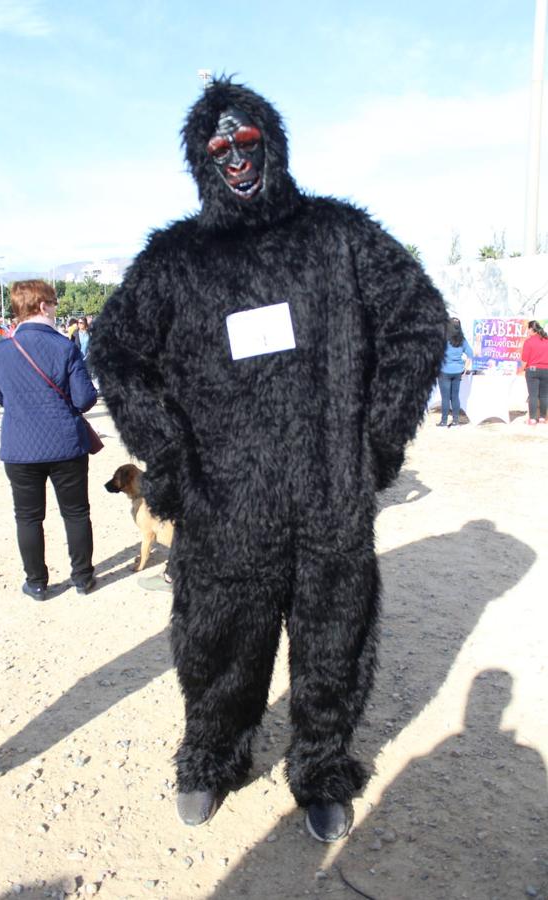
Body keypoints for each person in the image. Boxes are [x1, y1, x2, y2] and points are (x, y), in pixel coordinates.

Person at [91, 79, 447, 843]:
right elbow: (115, 352)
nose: (235, 158)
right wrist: (167, 454)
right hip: (224, 502)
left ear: (271, 143)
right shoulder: (176, 260)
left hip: (328, 493)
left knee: (333, 638)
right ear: (199, 158)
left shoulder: (338, 236)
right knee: (218, 638)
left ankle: (321, 763)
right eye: (218, 147)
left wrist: (377, 442)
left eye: (246, 142)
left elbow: (419, 321)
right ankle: (212, 757)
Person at [0, 280, 97, 602]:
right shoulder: (65, 347)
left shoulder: (1, 350)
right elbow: (83, 399)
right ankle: (82, 577)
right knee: (76, 512)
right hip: (65, 444)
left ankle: (36, 583)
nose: (55, 308)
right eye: (52, 303)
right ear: (41, 307)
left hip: (20, 447)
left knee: (28, 517)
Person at [437, 317, 473, 427]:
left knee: (445, 398)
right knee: (455, 397)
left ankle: (443, 421)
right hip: (458, 371)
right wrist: (465, 370)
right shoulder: (462, 340)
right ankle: (455, 421)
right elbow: (470, 355)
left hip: (444, 371)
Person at [521, 319, 548, 424]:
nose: (527, 331)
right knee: (545, 395)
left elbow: (524, 360)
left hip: (532, 370)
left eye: (528, 329)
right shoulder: (547, 340)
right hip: (546, 370)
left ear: (532, 329)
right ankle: (542, 417)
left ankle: (532, 419)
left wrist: (521, 370)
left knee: (533, 395)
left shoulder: (529, 342)